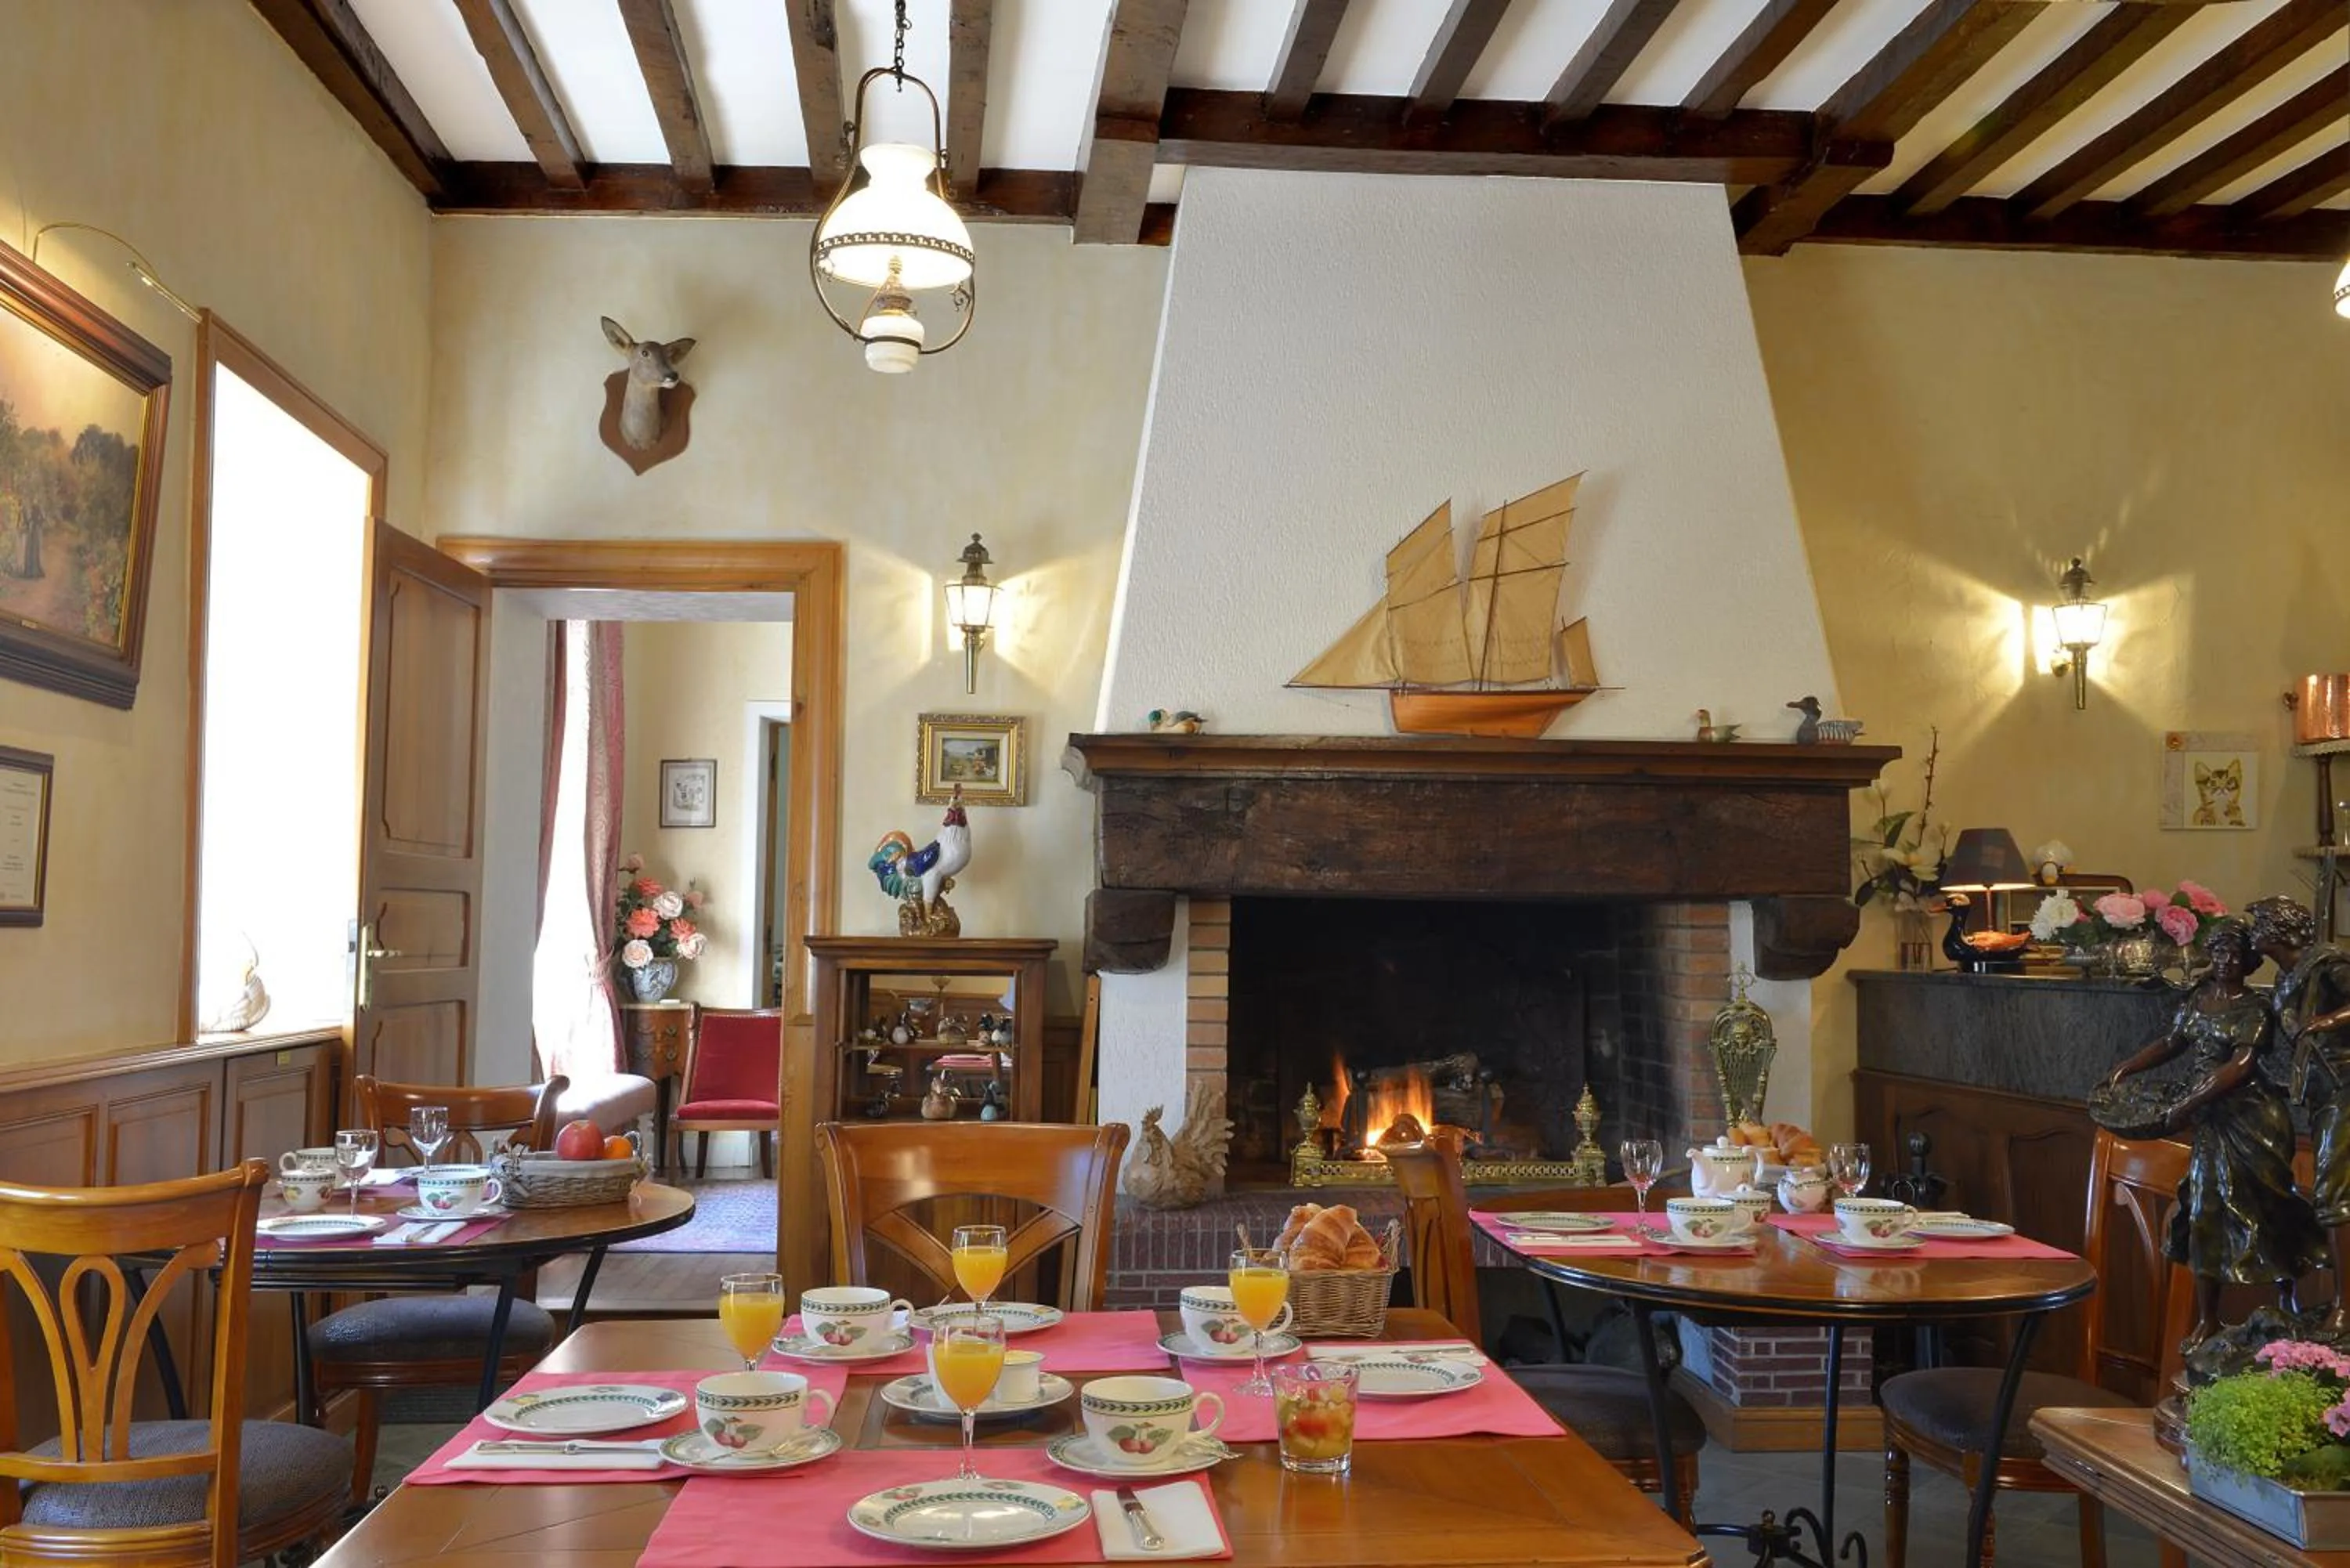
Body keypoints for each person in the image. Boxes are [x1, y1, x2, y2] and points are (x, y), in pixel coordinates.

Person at [2106, 918, 2323, 1347]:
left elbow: (2240, 1066)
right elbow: (2172, 1041)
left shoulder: (2255, 1007)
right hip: (2211, 1123)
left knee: (2270, 1210)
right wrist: (2128, 1066)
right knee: (2205, 1210)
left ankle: (2287, 1304)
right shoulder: (2199, 997)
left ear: (2251, 961)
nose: (2227, 961)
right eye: (2220, 952)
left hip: (2252, 1122)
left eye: (2237, 954)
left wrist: (2188, 1105)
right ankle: (2208, 1318)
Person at [2247, 895, 2350, 1334]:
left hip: (2345, 1088)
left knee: (2335, 1195)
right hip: (2320, 1092)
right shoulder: (2287, 977)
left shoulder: (2328, 963)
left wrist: (2328, 1022)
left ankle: (2345, 1306)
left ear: (2282, 930)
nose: (2255, 933)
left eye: (2261, 924)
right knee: (2331, 1195)